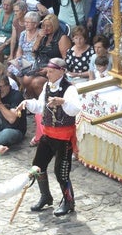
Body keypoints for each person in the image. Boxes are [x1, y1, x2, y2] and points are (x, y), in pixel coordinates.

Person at [18, 57, 82, 216]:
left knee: (61, 172)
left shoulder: (70, 89)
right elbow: (41, 107)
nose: (48, 75)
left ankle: (68, 202)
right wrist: (27, 103)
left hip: (64, 137)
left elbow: (75, 109)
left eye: (52, 72)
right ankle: (45, 196)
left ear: (62, 71)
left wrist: (63, 102)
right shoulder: (47, 86)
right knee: (37, 166)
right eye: (48, 71)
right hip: (48, 134)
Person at [22, 14, 71, 99]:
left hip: (54, 68)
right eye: (43, 26)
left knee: (36, 82)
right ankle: (34, 102)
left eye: (48, 26)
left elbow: (66, 60)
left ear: (54, 26)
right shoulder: (43, 36)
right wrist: (38, 39)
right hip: (40, 66)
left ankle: (45, 103)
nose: (45, 28)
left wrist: (49, 69)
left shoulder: (62, 38)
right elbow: (33, 53)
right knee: (26, 79)